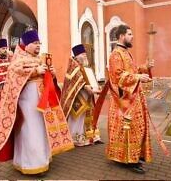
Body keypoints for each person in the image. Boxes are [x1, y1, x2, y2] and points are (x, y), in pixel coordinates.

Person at [0, 29, 74, 175]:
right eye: (35, 43)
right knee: (30, 131)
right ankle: (31, 165)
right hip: (27, 103)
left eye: (39, 43)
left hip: (42, 102)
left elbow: (47, 78)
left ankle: (43, 159)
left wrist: (51, 74)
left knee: (41, 130)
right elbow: (13, 77)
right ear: (26, 44)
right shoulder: (18, 60)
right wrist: (34, 72)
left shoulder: (40, 58)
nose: (38, 46)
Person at [106, 24, 154, 174]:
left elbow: (132, 71)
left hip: (134, 98)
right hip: (124, 102)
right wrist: (139, 76)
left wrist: (144, 67)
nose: (132, 37)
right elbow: (118, 76)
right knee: (129, 130)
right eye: (129, 34)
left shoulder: (126, 53)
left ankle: (134, 156)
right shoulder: (115, 54)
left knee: (137, 129)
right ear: (121, 36)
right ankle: (128, 160)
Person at [60, 44, 102, 146]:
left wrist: (95, 86)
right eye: (83, 54)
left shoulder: (85, 67)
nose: (85, 56)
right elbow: (75, 80)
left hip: (87, 97)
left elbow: (88, 80)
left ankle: (91, 137)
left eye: (85, 54)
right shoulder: (73, 66)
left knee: (88, 117)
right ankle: (77, 138)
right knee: (78, 118)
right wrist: (85, 86)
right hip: (77, 97)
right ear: (77, 56)